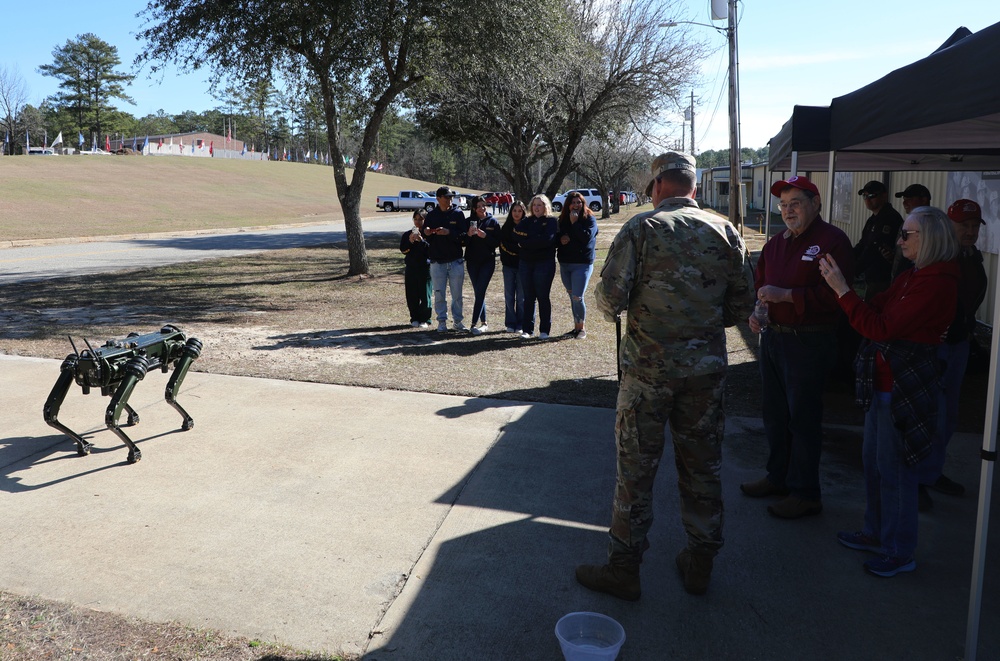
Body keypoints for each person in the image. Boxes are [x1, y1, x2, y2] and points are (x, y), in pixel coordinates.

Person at [575, 151, 754, 599]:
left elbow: (609, 300)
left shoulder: (642, 228)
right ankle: (700, 564)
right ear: (693, 187)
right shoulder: (726, 230)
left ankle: (624, 569)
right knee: (703, 469)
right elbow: (741, 307)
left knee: (635, 473)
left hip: (647, 378)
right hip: (705, 376)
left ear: (657, 186)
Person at [818, 206, 959, 577]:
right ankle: (876, 531)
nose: (899, 240)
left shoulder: (936, 282)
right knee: (876, 465)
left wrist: (843, 291)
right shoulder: (915, 276)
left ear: (927, 238)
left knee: (896, 471)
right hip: (885, 384)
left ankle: (899, 550)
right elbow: (878, 308)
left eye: (906, 234)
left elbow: (879, 327)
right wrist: (852, 294)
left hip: (901, 387)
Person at [741, 175, 854, 519]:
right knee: (775, 414)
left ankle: (806, 493)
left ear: (815, 203)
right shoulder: (776, 243)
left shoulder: (832, 242)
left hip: (808, 341)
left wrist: (787, 296)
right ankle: (779, 478)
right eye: (784, 205)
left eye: (796, 203)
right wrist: (757, 312)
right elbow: (762, 285)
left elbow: (836, 297)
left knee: (803, 419)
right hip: (773, 338)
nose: (788, 211)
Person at [917, 199, 988, 509]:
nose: (970, 232)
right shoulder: (939, 257)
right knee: (928, 415)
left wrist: (967, 328)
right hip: (936, 346)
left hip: (958, 346)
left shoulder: (972, 257)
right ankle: (914, 480)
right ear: (950, 227)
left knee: (948, 416)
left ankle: (931, 473)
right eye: (964, 226)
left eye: (974, 226)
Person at [423, 186, 469, 332]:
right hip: (437, 261)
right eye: (446, 197)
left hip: (455, 260)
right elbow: (425, 235)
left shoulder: (458, 214)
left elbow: (464, 235)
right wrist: (427, 232)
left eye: (451, 197)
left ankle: (457, 321)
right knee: (439, 293)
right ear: (438, 198)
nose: (449, 199)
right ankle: (442, 321)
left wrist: (449, 232)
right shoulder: (431, 215)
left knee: (457, 295)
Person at [556, 191, 599, 339]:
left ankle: (582, 329)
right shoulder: (562, 220)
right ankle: (575, 328)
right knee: (571, 295)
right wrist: (560, 239)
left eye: (579, 202)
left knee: (577, 297)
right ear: (568, 205)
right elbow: (555, 237)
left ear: (583, 203)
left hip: (582, 264)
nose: (576, 205)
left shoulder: (590, 219)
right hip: (565, 264)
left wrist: (575, 224)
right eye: (573, 203)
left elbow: (586, 238)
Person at [515, 195, 558, 339]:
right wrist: (534, 238)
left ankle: (544, 330)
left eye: (540, 205)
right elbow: (517, 235)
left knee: (543, 297)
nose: (537, 207)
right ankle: (527, 330)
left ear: (546, 206)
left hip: (544, 263)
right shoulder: (526, 220)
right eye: (534, 205)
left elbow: (547, 240)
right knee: (528, 297)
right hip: (526, 263)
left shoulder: (552, 221)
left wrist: (527, 242)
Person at [854, 181, 903, 300]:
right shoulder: (873, 220)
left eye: (872, 196)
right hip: (872, 277)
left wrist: (854, 269)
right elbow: (863, 244)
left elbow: (874, 249)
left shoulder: (890, 218)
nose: (867, 199)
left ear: (884, 196)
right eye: (865, 196)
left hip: (883, 278)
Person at [464, 195, 502, 335]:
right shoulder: (468, 221)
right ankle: (484, 322)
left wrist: (485, 236)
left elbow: (497, 242)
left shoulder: (492, 222)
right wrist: (468, 234)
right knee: (478, 292)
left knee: (480, 291)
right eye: (479, 206)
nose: (482, 208)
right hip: (472, 262)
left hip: (488, 261)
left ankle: (473, 323)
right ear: (474, 208)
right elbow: (463, 242)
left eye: (484, 205)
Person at [399, 209, 432, 327]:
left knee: (425, 294)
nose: (418, 222)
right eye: (416, 219)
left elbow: (431, 252)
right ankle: (414, 318)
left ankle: (425, 319)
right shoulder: (407, 234)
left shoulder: (429, 234)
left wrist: (421, 240)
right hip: (411, 268)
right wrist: (410, 241)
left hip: (425, 268)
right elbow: (403, 250)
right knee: (412, 294)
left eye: (421, 219)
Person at [891, 184, 931, 278]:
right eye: (904, 199)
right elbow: (900, 259)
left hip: (917, 278)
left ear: (924, 200)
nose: (904, 203)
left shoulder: (933, 226)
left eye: (909, 199)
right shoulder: (907, 222)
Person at [500, 200, 528, 333]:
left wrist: (520, 249)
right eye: (514, 211)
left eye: (519, 211)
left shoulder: (527, 226)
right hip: (508, 266)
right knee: (509, 295)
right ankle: (510, 323)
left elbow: (527, 245)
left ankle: (521, 324)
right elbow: (503, 245)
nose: (517, 214)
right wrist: (518, 248)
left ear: (523, 212)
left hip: (523, 265)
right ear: (511, 212)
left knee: (521, 297)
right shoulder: (506, 228)